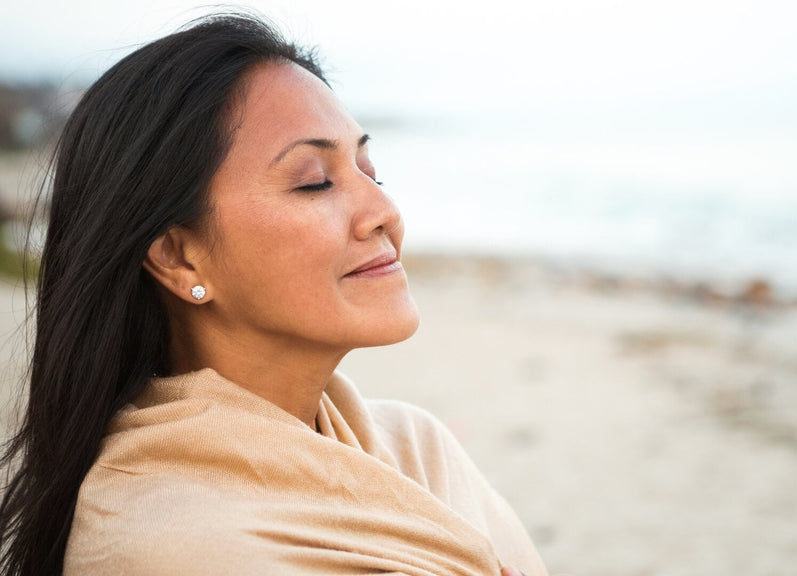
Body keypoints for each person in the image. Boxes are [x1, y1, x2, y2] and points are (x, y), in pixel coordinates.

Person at [0, 13, 548, 576]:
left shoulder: (417, 450)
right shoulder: (172, 546)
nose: (384, 213)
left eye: (370, 172)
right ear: (178, 255)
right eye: (315, 181)